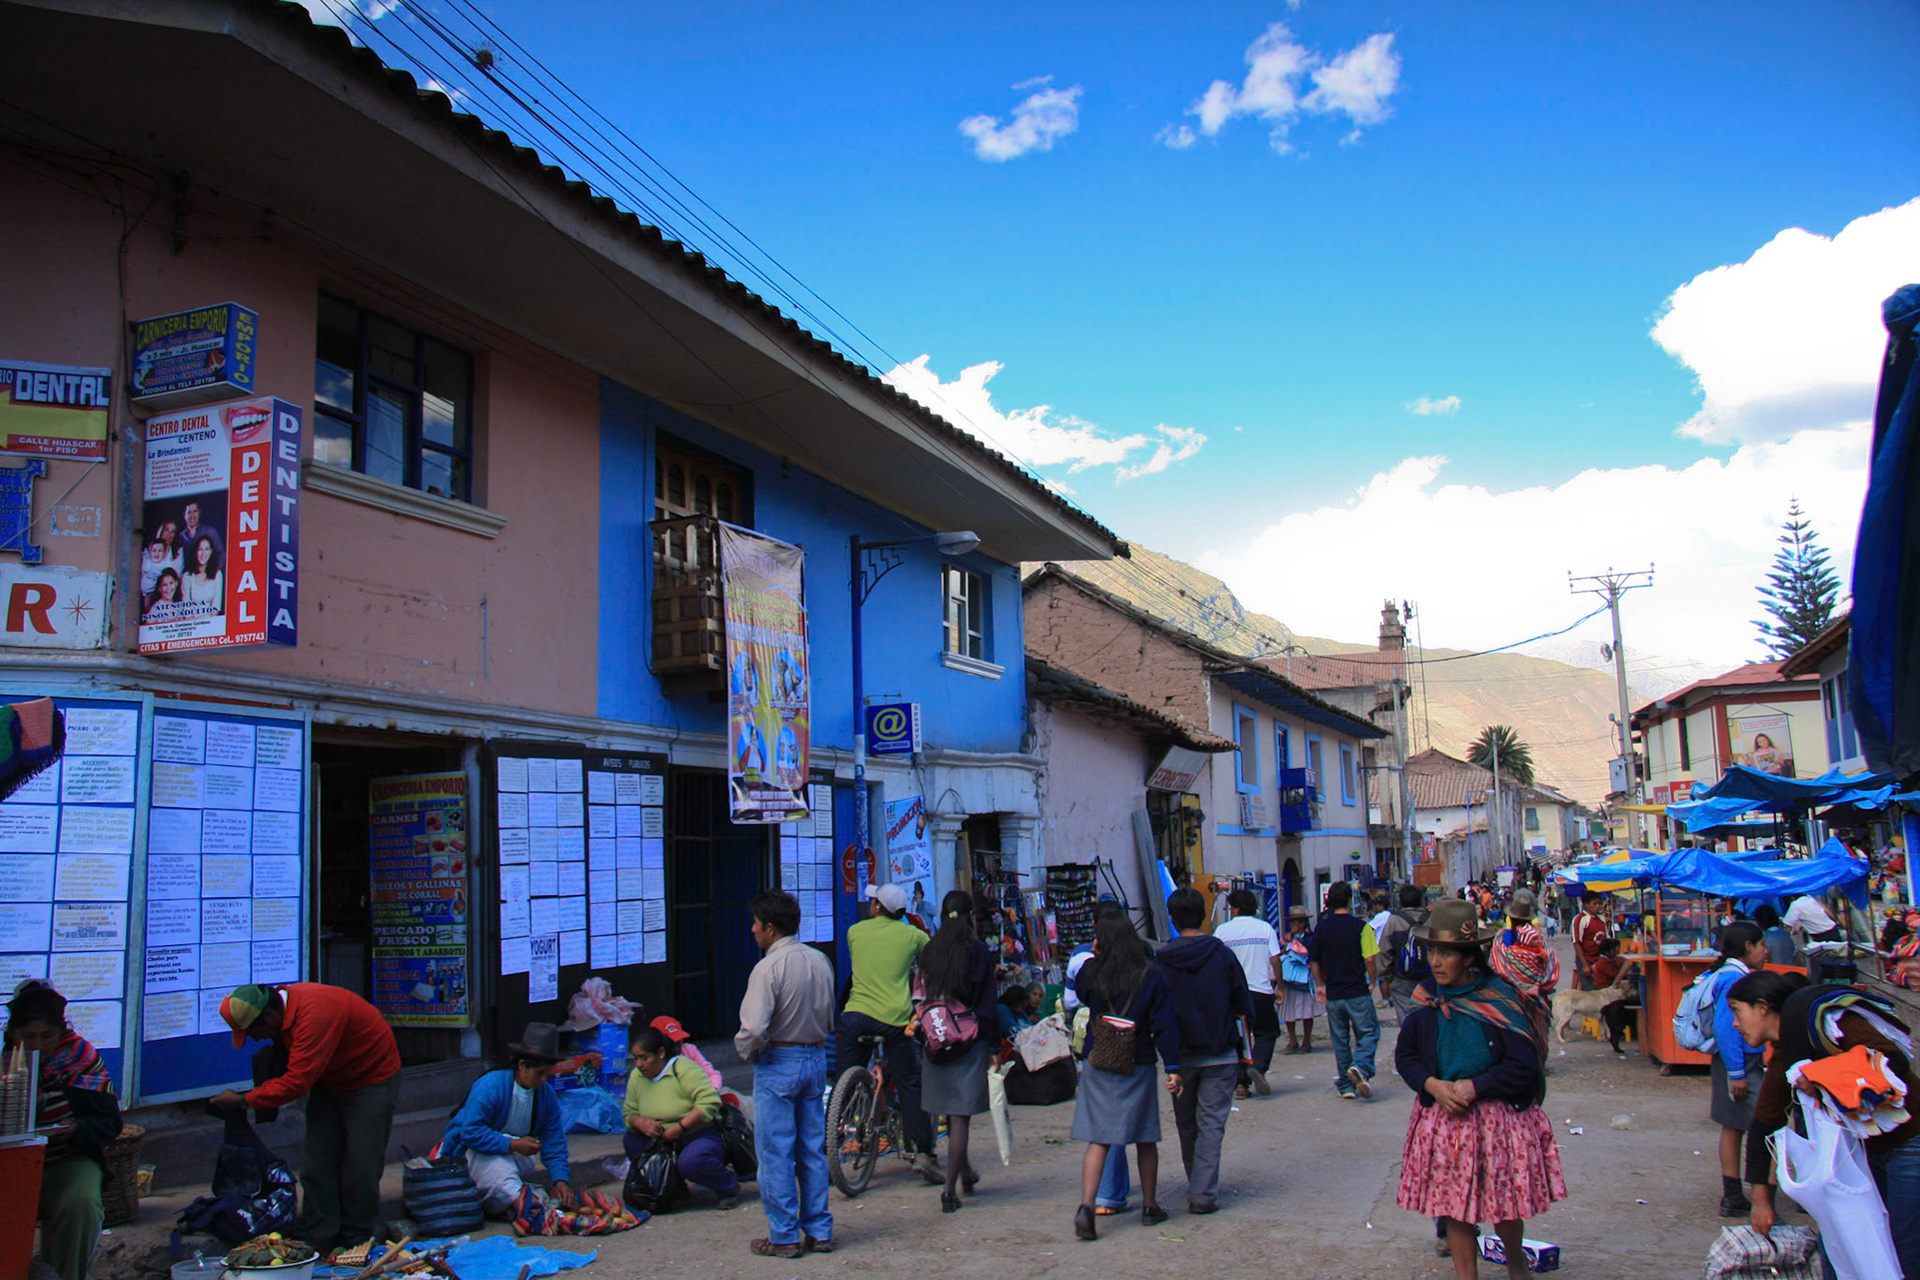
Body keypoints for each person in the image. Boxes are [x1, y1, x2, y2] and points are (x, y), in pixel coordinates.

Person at [1393, 900, 1565, 1280]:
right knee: (1454, 1209)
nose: (1436, 962)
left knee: (1504, 1206)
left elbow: (1523, 1067)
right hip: (1445, 1119)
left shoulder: (1499, 999)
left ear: (1469, 958)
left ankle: (1516, 1261)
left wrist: (1476, 1086)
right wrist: (1433, 1085)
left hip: (1494, 1121)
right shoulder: (1426, 1000)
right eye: (1433, 951)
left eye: (1447, 954)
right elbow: (1406, 1058)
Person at [1727, 970, 1919, 1278]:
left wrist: (1822, 1079)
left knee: (1905, 1247)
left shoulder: (1828, 1022)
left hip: (1910, 1141)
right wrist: (1761, 1201)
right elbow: (1765, 1122)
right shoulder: (1785, 1054)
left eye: (1737, 1011)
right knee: (1845, 1246)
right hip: (1867, 1153)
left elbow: (1893, 1061)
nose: (1735, 1024)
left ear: (1762, 1007)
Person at [212, 983, 401, 1253]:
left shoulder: (315, 1016)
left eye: (254, 1032)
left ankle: (356, 1239)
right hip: (328, 1079)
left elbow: (296, 1083)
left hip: (370, 1080)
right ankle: (317, 1235)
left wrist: (244, 1100)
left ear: (270, 1017)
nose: (256, 1039)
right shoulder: (284, 1016)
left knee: (361, 1166)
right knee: (317, 1162)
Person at [734, 890, 835, 1259]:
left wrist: (746, 1051)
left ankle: (784, 1235)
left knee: (776, 1152)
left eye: (756, 925)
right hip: (815, 1056)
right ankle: (819, 1230)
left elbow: (754, 1029)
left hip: (779, 1061)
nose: (752, 931)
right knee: (811, 1149)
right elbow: (828, 1015)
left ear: (770, 929)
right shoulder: (819, 960)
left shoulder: (767, 968)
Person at [1070, 909, 1182, 1241]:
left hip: (1099, 1058)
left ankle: (1087, 1206)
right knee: (1145, 1136)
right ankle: (1149, 1205)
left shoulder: (1091, 970)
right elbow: (1164, 1025)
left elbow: (1081, 994)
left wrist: (1094, 953)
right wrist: (1173, 1067)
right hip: (1139, 1060)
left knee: (1099, 1138)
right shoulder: (1150, 974)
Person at [4, 981, 119, 1280]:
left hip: (66, 1160)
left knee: (80, 1204)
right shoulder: (4, 1063)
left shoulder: (81, 1058)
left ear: (62, 1031)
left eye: (47, 1036)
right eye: (28, 1037)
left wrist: (77, 1128)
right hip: (9, 1165)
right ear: (12, 1032)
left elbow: (109, 1123)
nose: (38, 1045)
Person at [837, 881, 939, 1182]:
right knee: (909, 1082)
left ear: (878, 907)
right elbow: (931, 957)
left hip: (855, 1016)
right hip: (894, 1020)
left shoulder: (855, 932)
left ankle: (830, 1141)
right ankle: (923, 1151)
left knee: (845, 1080)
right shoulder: (913, 935)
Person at [1159, 886, 1250, 1215]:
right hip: (1220, 1051)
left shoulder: (1163, 959)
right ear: (1203, 913)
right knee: (1212, 1124)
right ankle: (1203, 1192)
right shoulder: (1221, 954)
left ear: (1172, 919)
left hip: (1178, 1058)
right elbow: (1242, 1002)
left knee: (1187, 1124)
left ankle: (1196, 1183)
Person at [438, 1023, 575, 1219]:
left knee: (519, 1163)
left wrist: (561, 1180)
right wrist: (513, 1143)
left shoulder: (547, 1096)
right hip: (469, 1153)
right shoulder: (490, 1086)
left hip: (510, 1155)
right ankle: (521, 1205)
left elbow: (554, 1140)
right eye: (539, 1073)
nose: (545, 1080)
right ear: (521, 1065)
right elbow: (470, 1132)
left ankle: (513, 1201)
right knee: (497, 1166)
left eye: (548, 1073)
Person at [917, 889, 1000, 1213]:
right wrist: (994, 1046)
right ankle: (950, 1191)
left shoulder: (930, 950)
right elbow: (988, 1004)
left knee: (950, 1114)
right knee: (960, 1117)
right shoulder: (978, 951)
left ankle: (964, 1173)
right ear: (969, 917)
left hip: (937, 1039)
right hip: (969, 1038)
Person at [1064, 902, 1134, 1217]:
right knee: (1130, 1126)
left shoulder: (1084, 959)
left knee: (1103, 1126)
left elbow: (1072, 998)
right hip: (1132, 1047)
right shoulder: (1140, 957)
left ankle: (1099, 1198)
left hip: (1096, 1045)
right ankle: (1128, 1196)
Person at [625, 1024, 738, 1209]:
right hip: (660, 1137)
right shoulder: (637, 1076)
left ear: (661, 1053)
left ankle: (727, 1186)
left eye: (644, 1058)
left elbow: (709, 1102)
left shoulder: (684, 1069)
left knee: (692, 1162)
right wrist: (639, 1122)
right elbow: (629, 1112)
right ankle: (676, 1189)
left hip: (696, 1133)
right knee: (632, 1141)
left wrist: (681, 1127)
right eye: (635, 1058)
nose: (638, 1064)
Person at [1703, 921, 1771, 1217]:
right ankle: (1761, 1199)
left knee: (1733, 1126)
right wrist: (1737, 1073)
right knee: (1767, 1129)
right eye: (1762, 945)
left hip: (1733, 1062)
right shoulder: (1734, 979)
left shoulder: (1726, 974)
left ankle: (1733, 1195)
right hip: (1740, 1062)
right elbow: (1725, 1027)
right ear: (1748, 947)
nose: (1766, 952)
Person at [1309, 881, 1379, 1100]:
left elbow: (1313, 961)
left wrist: (1320, 984)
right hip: (1357, 990)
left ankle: (1347, 1087)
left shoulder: (1322, 928)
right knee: (1368, 1033)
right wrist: (1373, 980)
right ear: (1350, 900)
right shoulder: (1361, 927)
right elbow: (1369, 958)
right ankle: (1360, 1066)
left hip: (1334, 994)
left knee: (1340, 1041)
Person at [1213, 887, 1282, 1096]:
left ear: (1234, 908)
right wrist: (1280, 986)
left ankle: (1241, 1084)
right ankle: (1258, 1067)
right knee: (1267, 1032)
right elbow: (1275, 959)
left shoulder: (1222, 932)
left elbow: (1216, 963)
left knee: (1238, 1038)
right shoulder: (1265, 929)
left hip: (1233, 994)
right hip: (1260, 991)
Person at [1378, 885, 1431, 1023]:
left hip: (1402, 979)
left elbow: (1384, 951)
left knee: (1407, 1021)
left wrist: (1387, 978)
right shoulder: (1431, 919)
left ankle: (1412, 1041)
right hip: (1430, 978)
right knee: (1430, 1018)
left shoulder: (1394, 921)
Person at [1278, 904, 1321, 1053]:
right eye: (1292, 922)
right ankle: (1292, 1040)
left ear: (1303, 923)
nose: (1294, 925)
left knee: (1306, 1010)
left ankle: (1307, 1040)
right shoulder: (1286, 938)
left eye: (1297, 922)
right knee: (1289, 1010)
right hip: (1288, 978)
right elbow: (1279, 953)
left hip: (1304, 978)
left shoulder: (1310, 938)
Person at [1572, 894, 1610, 991]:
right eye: (1595, 903)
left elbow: (1606, 938)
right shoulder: (1580, 919)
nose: (1598, 906)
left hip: (1600, 960)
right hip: (1587, 959)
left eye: (1599, 904)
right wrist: (1585, 965)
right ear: (1586, 905)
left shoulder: (1602, 919)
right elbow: (1577, 942)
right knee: (1589, 990)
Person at [183, 535, 223, 610]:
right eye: (200, 549)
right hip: (192, 620)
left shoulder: (217, 574)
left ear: (211, 551)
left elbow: (216, 606)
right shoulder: (187, 576)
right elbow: (186, 607)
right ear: (196, 552)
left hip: (211, 620)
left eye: (206, 549)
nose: (203, 553)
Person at [139, 532, 182, 597]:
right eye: (154, 550)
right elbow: (142, 574)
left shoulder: (165, 564)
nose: (156, 553)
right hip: (145, 591)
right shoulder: (148, 562)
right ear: (150, 551)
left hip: (156, 592)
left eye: (160, 551)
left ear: (164, 553)